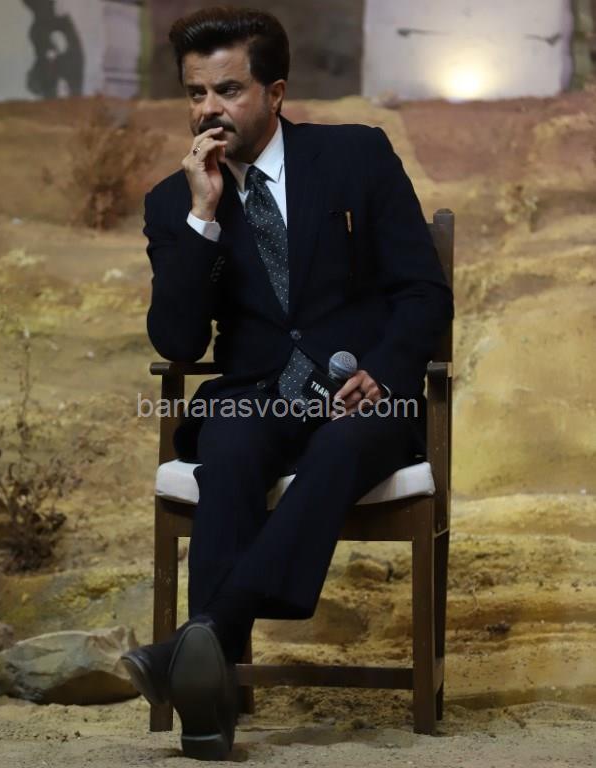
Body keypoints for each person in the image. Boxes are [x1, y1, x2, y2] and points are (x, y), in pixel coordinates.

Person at [122, 6, 453, 761]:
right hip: (253, 394)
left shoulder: (355, 156)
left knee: (342, 445)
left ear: (274, 93)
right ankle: (209, 696)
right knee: (231, 449)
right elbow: (178, 343)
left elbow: (422, 293)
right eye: (196, 93)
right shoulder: (173, 202)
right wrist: (203, 218)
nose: (208, 109)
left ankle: (198, 649)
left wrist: (383, 371)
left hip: (365, 392)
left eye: (228, 90)